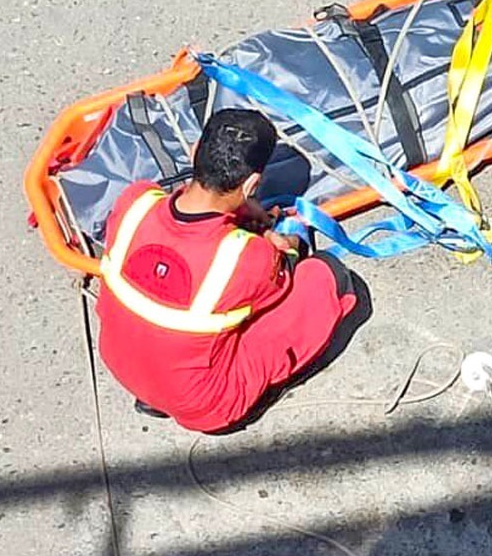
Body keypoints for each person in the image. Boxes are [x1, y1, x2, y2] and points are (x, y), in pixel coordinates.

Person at [95, 108, 358, 432]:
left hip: (121, 364)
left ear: (194, 153)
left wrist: (241, 209)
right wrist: (287, 243)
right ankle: (249, 398)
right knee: (328, 278)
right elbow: (283, 275)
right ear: (252, 184)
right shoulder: (246, 258)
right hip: (202, 404)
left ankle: (154, 394)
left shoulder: (134, 201)